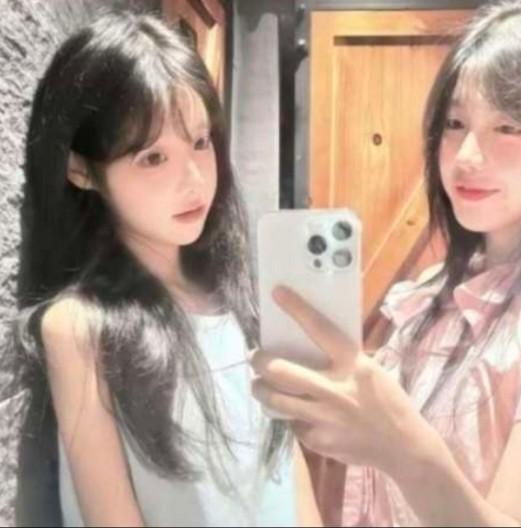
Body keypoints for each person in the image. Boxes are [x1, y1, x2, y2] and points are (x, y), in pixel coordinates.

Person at [13, 10, 320, 527]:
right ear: (81, 170)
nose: (194, 179)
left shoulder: (236, 297)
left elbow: (286, 470)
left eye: (201, 142)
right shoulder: (81, 325)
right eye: (153, 157)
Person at [252, 1, 521, 526]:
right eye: (455, 123)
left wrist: (403, 449)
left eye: (509, 127)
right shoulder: (430, 293)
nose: (467, 155)